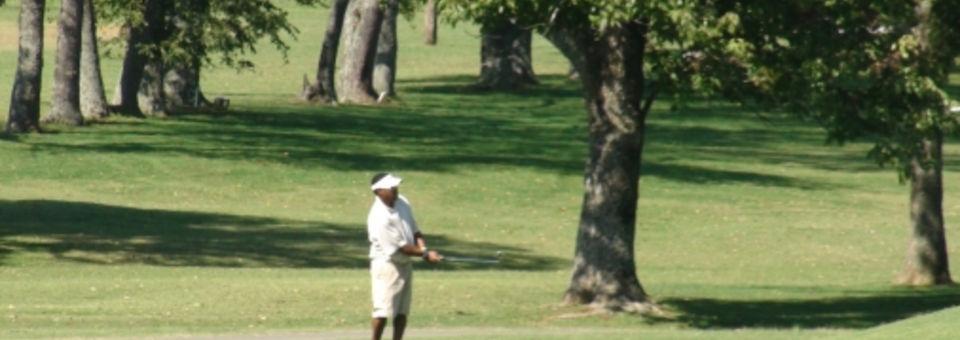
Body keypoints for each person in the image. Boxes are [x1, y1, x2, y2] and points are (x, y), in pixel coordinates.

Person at [367, 172, 442, 340]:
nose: (395, 189)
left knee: (402, 312)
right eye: (391, 187)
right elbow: (401, 248)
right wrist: (425, 254)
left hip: (405, 264)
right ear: (378, 191)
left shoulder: (402, 202)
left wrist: (424, 248)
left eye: (395, 186)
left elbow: (415, 230)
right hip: (386, 265)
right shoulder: (379, 216)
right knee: (382, 311)